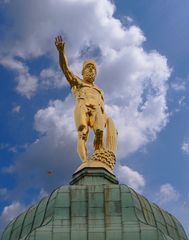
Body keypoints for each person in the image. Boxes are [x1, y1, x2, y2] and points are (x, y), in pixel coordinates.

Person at [55, 35, 107, 162]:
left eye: (94, 69)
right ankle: (85, 162)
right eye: (88, 68)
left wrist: (104, 118)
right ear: (83, 72)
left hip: (97, 111)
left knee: (100, 132)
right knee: (82, 132)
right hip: (83, 107)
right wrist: (61, 52)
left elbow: (102, 107)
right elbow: (65, 69)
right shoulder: (77, 82)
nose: (91, 70)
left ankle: (99, 159)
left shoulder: (100, 91)